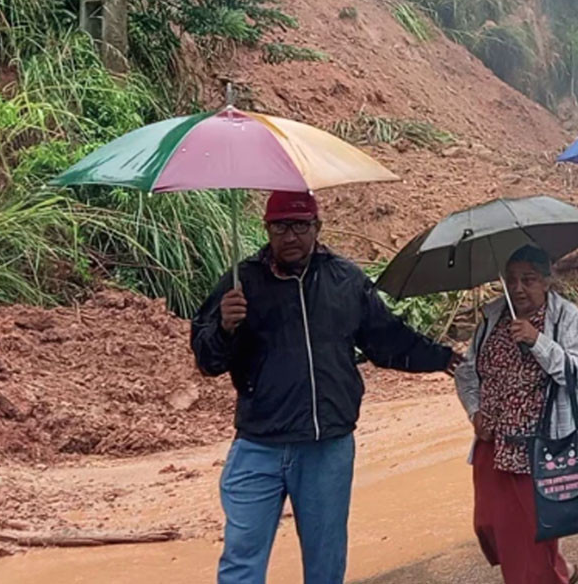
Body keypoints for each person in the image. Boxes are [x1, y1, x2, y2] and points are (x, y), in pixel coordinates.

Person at [191, 191, 461, 584]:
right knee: (241, 560)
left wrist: (442, 358)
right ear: (266, 229)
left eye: (300, 225)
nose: (290, 236)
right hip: (258, 446)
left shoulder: (345, 279)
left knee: (325, 564)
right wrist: (224, 327)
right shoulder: (240, 283)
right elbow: (207, 360)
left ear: (317, 227)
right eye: (280, 226)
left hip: (326, 447)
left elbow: (386, 339)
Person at [453, 245, 578, 584]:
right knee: (488, 525)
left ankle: (547, 573)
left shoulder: (565, 318)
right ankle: (558, 569)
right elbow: (467, 373)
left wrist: (538, 341)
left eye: (528, 280)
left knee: (525, 538)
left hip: (538, 449)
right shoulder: (492, 317)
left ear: (547, 281)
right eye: (512, 280)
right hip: (493, 444)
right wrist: (475, 413)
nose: (518, 288)